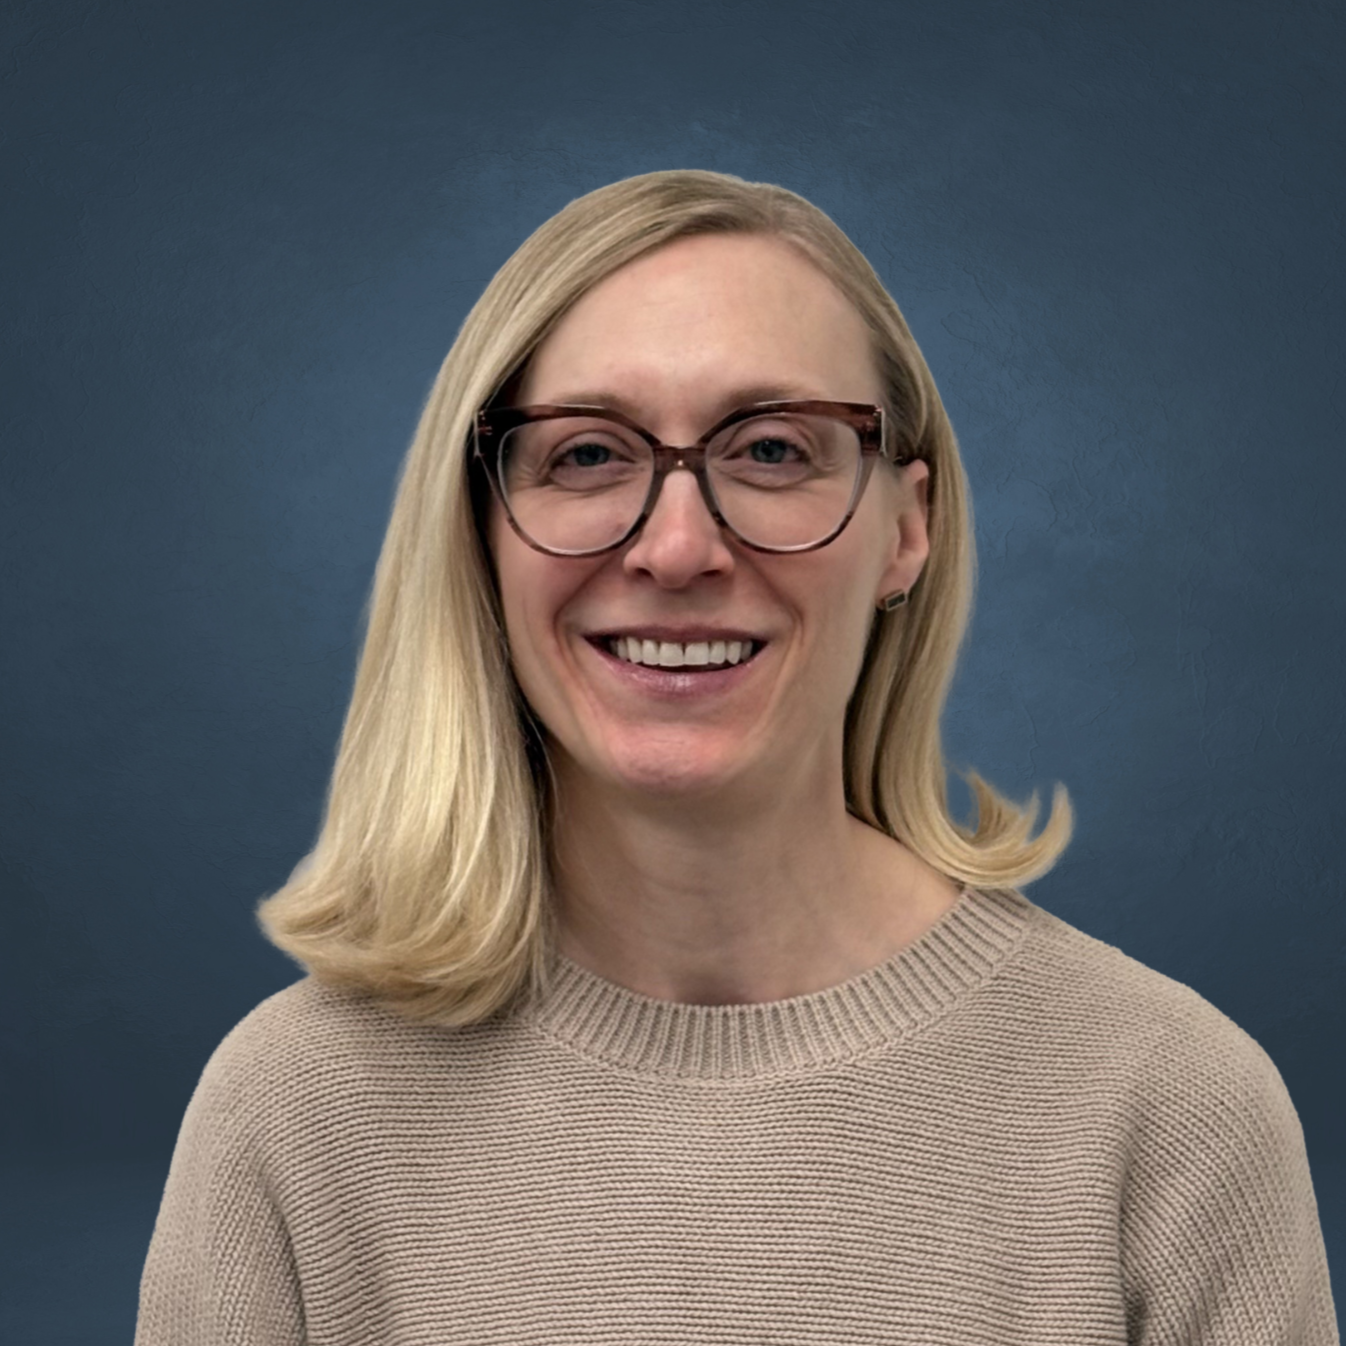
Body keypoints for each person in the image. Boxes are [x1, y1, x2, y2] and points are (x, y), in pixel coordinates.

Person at [135, 170, 1339, 1344]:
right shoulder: (291, 1112)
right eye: (585, 453)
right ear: (480, 528)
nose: (675, 548)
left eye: (769, 450)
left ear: (905, 527)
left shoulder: (1171, 1107)